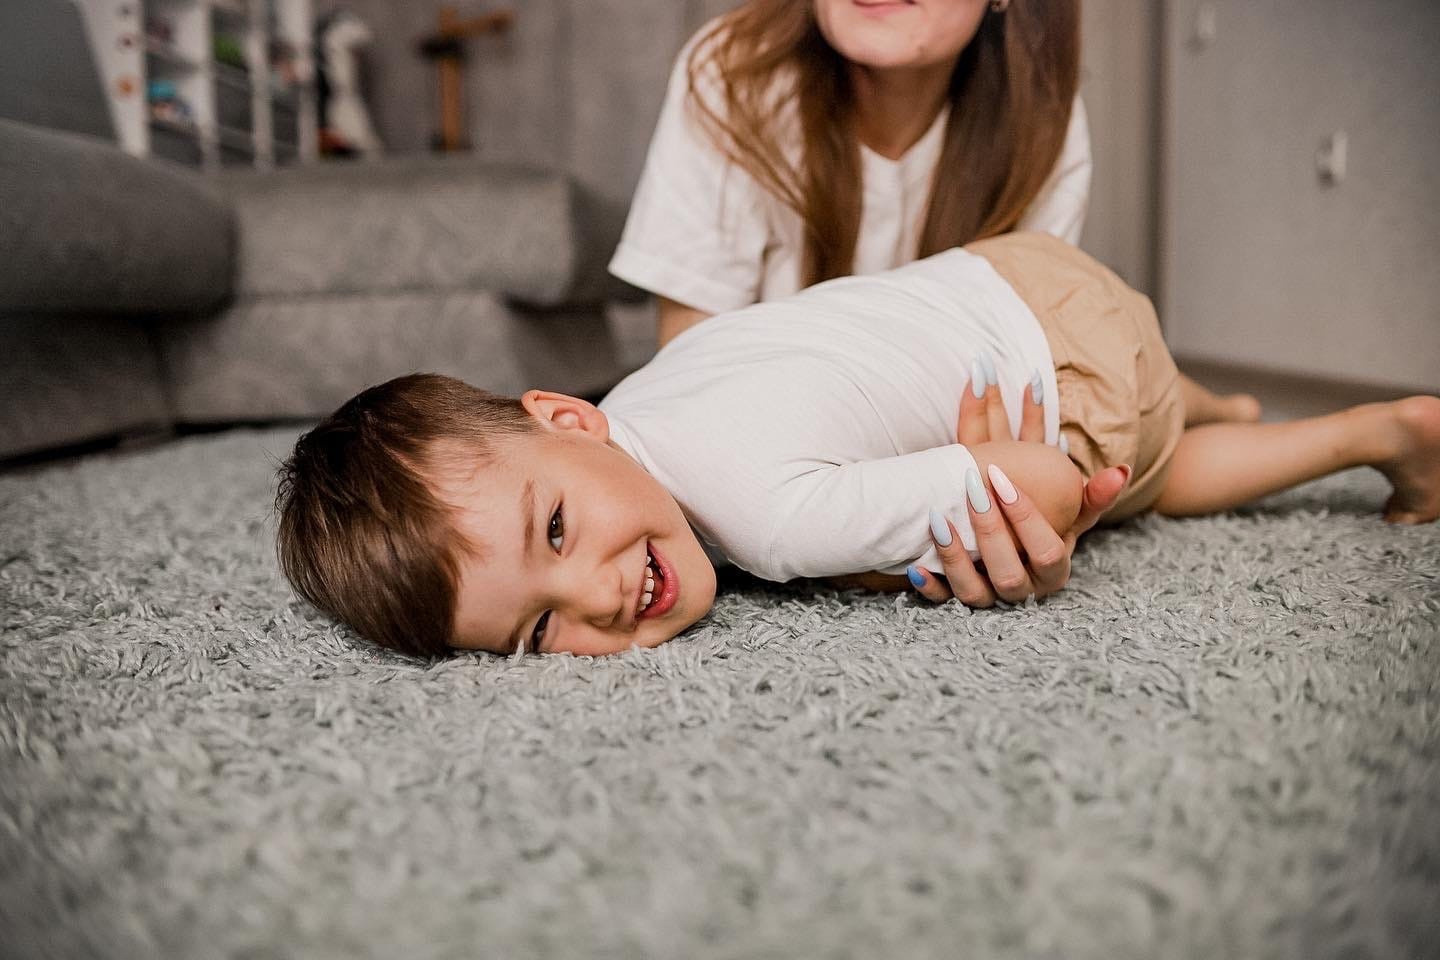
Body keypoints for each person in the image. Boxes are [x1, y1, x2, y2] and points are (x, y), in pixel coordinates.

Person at [274, 232, 1440, 659]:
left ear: (565, 421)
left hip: (1067, 378)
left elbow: (1043, 483)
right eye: (538, 632)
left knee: (1146, 480)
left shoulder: (777, 525)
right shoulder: (643, 393)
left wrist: (911, 561)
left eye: (558, 531)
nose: (595, 597)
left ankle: (1338, 433)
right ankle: (1293, 413)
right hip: (1011, 271)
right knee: (1174, 415)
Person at [609, 0, 1261, 605]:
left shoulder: (1034, 118)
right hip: (817, 439)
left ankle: (1220, 405)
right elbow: (693, 380)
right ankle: (1225, 407)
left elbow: (1044, 350)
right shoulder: (731, 75)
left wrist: (1017, 493)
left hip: (972, 401)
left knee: (1112, 420)